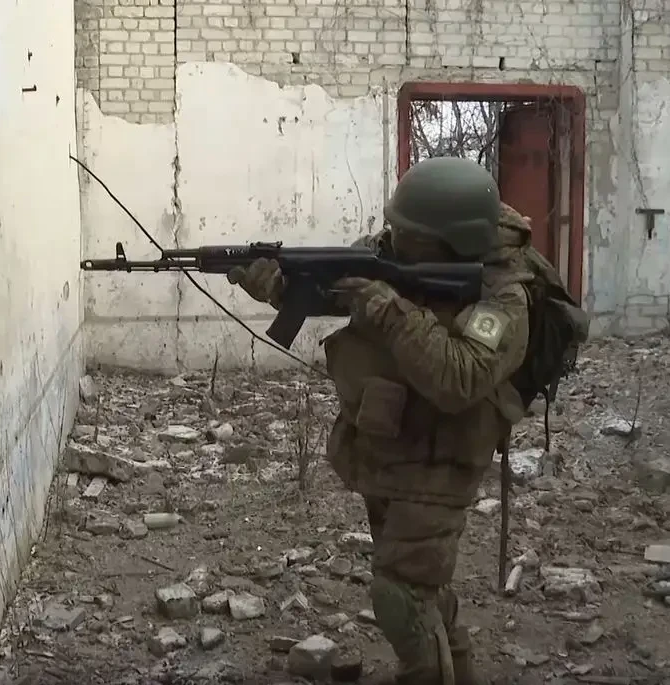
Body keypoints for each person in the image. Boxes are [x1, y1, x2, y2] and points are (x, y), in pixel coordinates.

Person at [228, 157, 535, 685]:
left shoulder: (503, 295)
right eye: (394, 226)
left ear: (451, 240)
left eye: (407, 233)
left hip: (442, 455)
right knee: (422, 588)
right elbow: (339, 287)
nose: (391, 239)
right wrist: (281, 286)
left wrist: (389, 310)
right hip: (389, 440)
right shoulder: (393, 255)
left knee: (401, 595)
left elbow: (461, 377)